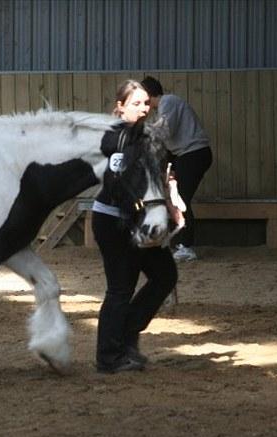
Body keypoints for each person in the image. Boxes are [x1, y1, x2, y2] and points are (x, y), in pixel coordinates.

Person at [92, 80, 178, 373]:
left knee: (165, 275)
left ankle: (127, 334)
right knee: (120, 288)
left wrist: (172, 200)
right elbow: (117, 184)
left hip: (141, 219)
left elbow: (162, 173)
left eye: (145, 104)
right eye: (135, 104)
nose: (143, 109)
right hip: (115, 221)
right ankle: (108, 356)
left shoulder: (149, 136)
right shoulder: (114, 139)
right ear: (120, 107)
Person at [140, 76, 212, 262]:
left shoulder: (168, 102)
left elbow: (164, 132)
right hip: (185, 155)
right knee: (175, 198)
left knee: (181, 199)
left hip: (193, 154)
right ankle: (181, 243)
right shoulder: (164, 107)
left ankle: (187, 246)